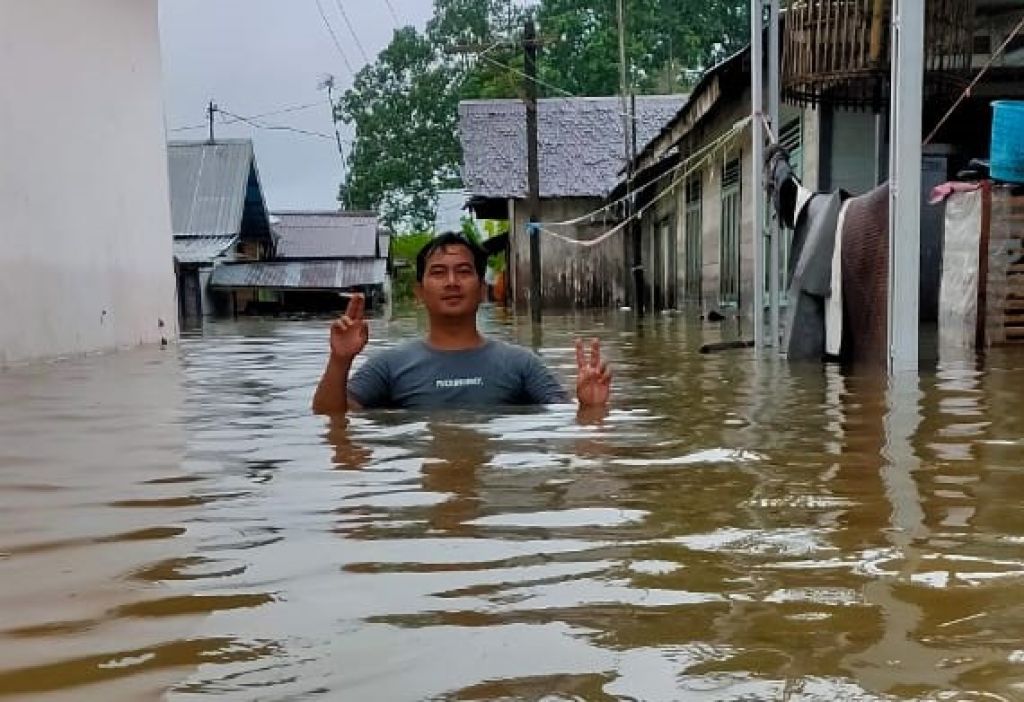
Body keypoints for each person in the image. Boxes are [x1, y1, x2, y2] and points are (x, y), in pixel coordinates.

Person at [312, 232, 612, 414]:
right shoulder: (389, 366)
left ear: (482, 289)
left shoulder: (521, 363)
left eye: (464, 271)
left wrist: (591, 408)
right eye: (438, 272)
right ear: (419, 292)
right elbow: (330, 420)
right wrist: (339, 361)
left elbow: (563, 422)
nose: (452, 282)